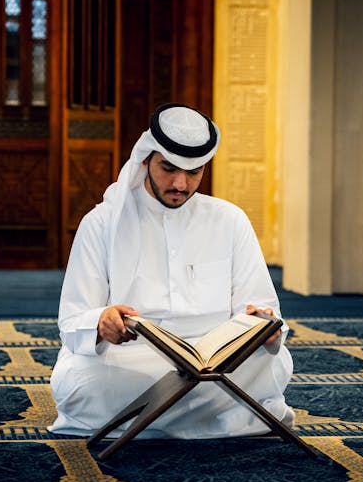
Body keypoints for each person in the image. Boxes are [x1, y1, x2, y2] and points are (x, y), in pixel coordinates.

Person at [48, 103, 294, 439]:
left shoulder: (230, 220)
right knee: (81, 382)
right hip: (132, 361)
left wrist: (265, 326)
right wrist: (101, 322)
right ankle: (227, 417)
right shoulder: (102, 224)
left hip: (219, 365)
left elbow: (263, 308)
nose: (180, 183)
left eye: (193, 172)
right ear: (146, 159)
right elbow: (73, 321)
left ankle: (152, 418)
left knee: (272, 364)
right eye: (169, 168)